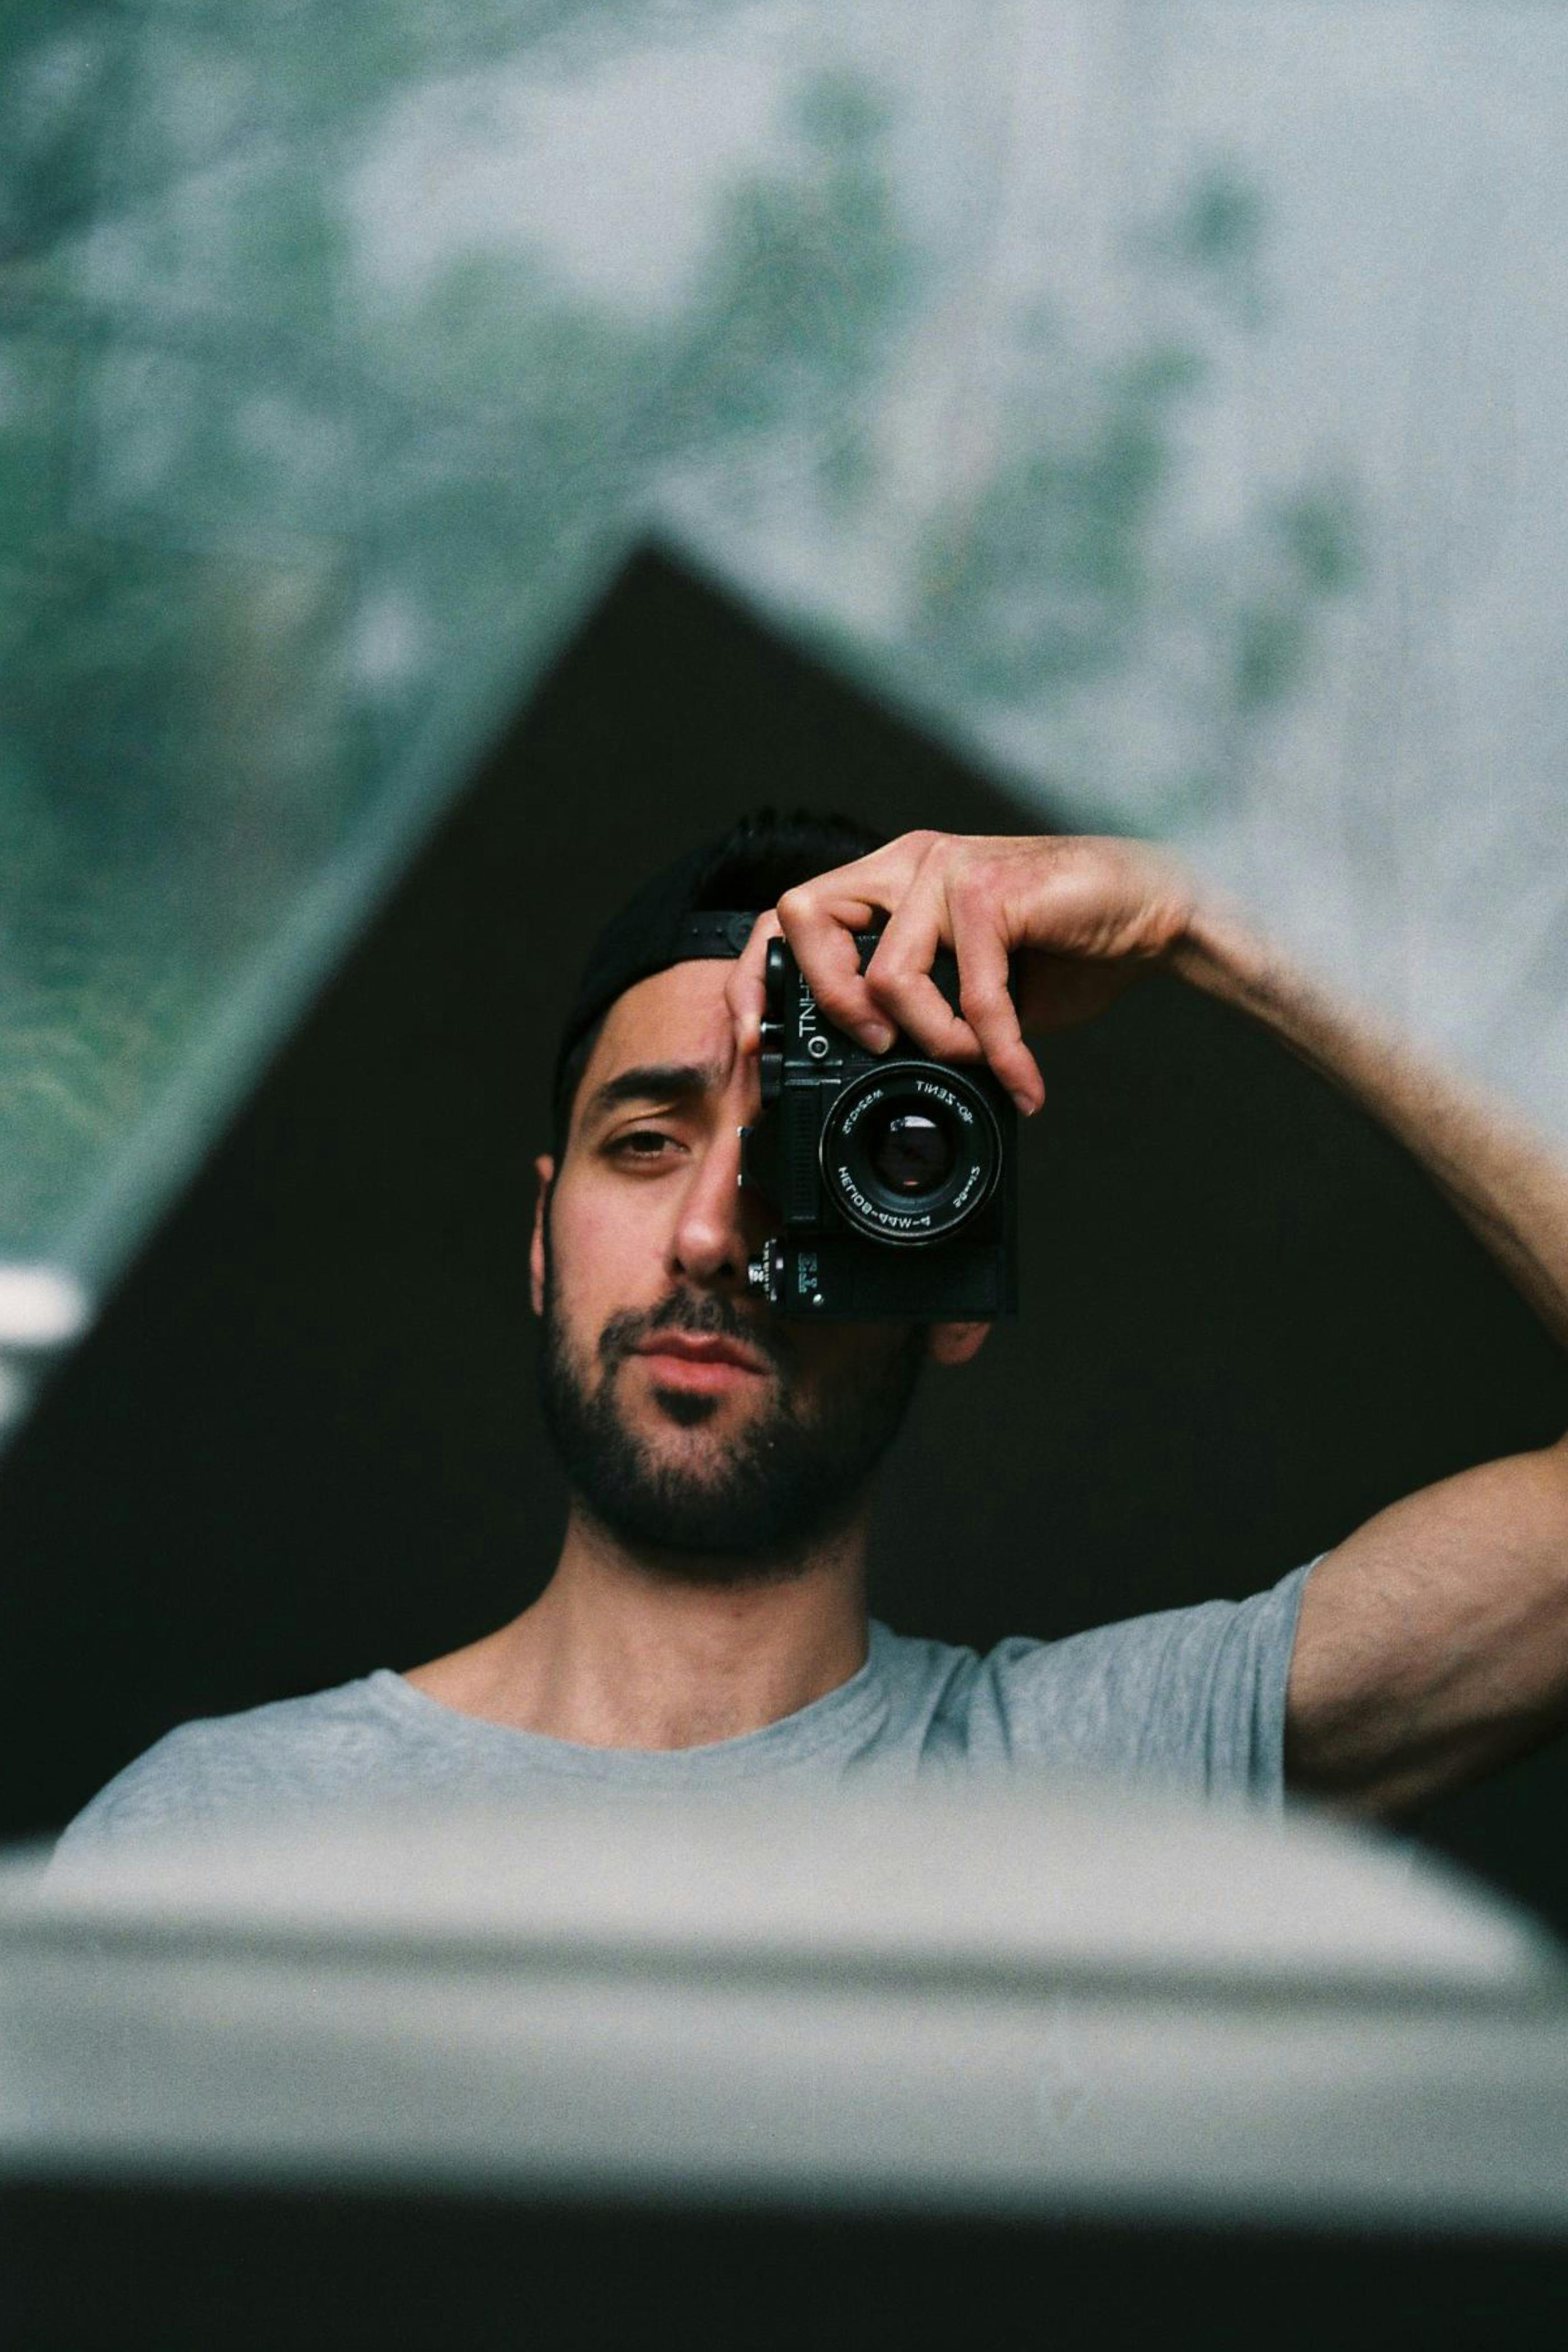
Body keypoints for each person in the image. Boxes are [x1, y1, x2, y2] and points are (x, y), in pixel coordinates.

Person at [51, 810, 1568, 1862]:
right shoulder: (217, 1836)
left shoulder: (1105, 1782)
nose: (714, 1232)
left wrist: (1217, 920)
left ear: (954, 1279)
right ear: (538, 1233)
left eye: (805, 1160)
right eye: (648, 1143)